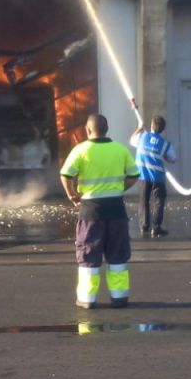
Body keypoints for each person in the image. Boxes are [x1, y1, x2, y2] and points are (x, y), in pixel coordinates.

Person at [59, 113, 140, 309]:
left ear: (87, 130)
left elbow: (65, 174)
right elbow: (134, 175)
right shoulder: (120, 150)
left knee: (88, 254)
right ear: (106, 129)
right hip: (116, 209)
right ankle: (119, 297)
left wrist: (71, 194)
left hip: (90, 211)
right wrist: (120, 188)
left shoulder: (80, 150)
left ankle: (87, 299)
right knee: (118, 254)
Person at [129, 115, 177, 238]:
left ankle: (144, 225)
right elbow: (173, 159)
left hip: (143, 176)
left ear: (151, 125)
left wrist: (139, 128)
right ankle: (156, 227)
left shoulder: (141, 137)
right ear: (163, 129)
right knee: (159, 201)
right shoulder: (165, 144)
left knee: (143, 200)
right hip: (158, 178)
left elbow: (131, 140)